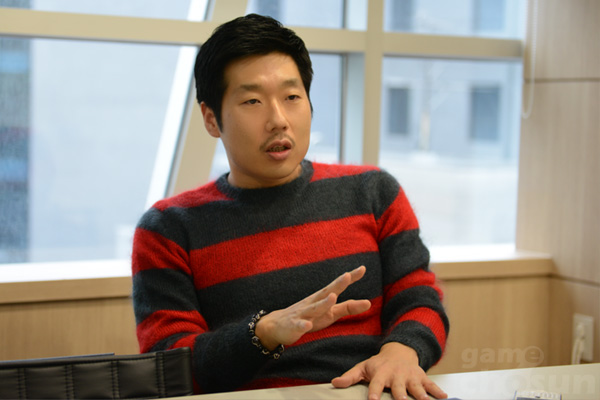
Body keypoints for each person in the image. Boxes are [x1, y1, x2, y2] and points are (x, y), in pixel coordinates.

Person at [132, 13, 449, 400]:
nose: (278, 120)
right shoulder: (168, 229)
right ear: (211, 119)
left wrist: (401, 352)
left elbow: (419, 298)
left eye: (292, 97)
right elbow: (169, 365)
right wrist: (262, 333)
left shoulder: (374, 193)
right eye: (252, 101)